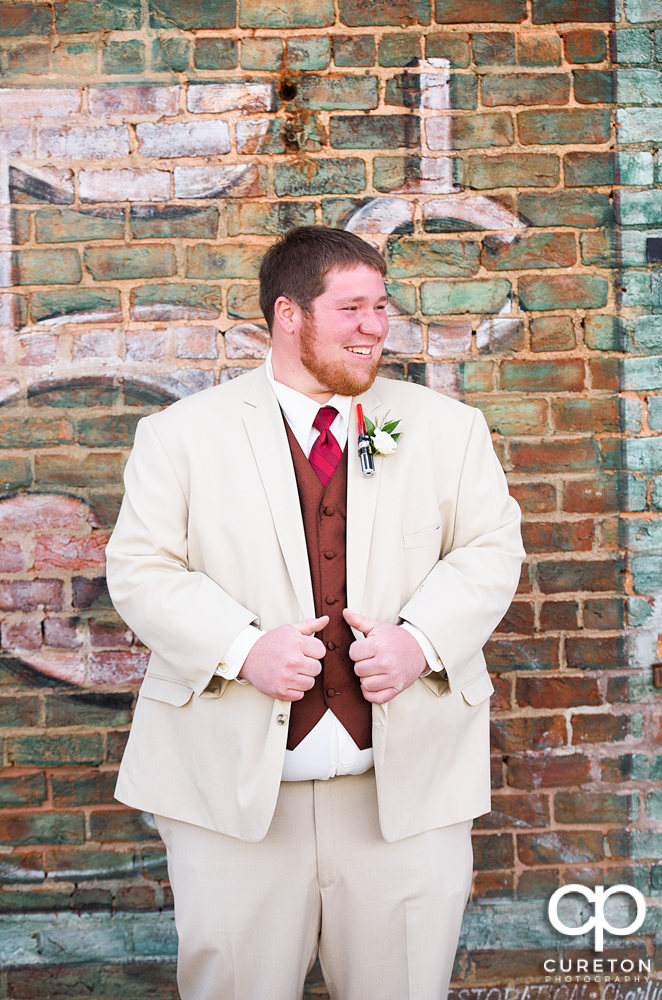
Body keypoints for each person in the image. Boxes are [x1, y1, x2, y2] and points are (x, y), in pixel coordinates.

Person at [105, 226, 524, 1000]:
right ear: (288, 316)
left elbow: (490, 550)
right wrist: (240, 649)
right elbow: (138, 567)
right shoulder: (179, 437)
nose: (375, 327)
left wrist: (422, 642)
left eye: (381, 306)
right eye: (352, 309)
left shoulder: (446, 428)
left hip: (403, 796)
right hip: (232, 798)